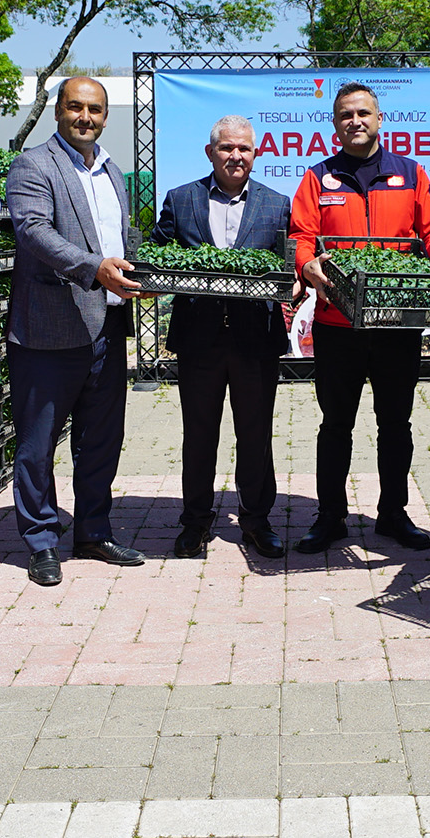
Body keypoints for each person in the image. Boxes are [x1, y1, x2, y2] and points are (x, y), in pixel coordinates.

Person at [290, 83, 430, 554]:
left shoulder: (411, 173)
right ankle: (330, 517)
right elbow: (301, 235)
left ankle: (393, 514)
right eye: (346, 114)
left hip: (396, 325)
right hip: (336, 325)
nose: (355, 121)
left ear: (380, 119)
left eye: (363, 113)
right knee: (335, 425)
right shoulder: (318, 178)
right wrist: (306, 264)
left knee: (395, 424)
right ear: (335, 124)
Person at [4, 76, 145, 587]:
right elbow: (33, 231)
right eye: (75, 107)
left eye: (95, 109)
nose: (85, 117)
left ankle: (92, 532)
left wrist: (141, 275)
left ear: (106, 116)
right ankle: (41, 540)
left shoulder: (112, 170)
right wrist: (94, 268)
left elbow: (119, 238)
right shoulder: (33, 165)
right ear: (57, 111)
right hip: (48, 329)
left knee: (101, 440)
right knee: (37, 444)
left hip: (107, 325)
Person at [151, 115, 293, 560]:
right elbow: (158, 253)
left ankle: (256, 521)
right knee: (198, 434)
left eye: (244, 148)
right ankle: (195, 522)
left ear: (256, 153)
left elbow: (288, 265)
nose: (236, 156)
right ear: (210, 152)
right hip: (199, 339)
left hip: (256, 340)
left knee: (255, 434)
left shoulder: (277, 204)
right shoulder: (181, 199)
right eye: (227, 148)